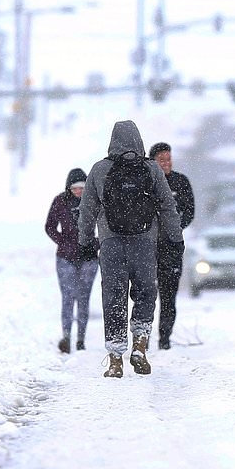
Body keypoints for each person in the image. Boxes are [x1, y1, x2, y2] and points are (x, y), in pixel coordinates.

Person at [78, 121, 184, 379]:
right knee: (146, 292)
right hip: (145, 242)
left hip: (111, 243)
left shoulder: (100, 169)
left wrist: (84, 240)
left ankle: (115, 360)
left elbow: (86, 209)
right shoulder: (151, 169)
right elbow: (168, 206)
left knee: (114, 297)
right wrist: (175, 238)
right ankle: (140, 345)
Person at [44, 168, 99, 354]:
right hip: (65, 258)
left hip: (89, 258)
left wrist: (97, 243)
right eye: (75, 188)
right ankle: (66, 337)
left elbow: (106, 224)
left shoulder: (94, 201)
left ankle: (81, 339)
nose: (78, 191)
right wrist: (63, 242)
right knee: (68, 298)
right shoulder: (60, 202)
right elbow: (49, 226)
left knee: (84, 299)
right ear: (69, 187)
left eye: (82, 187)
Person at [147, 141, 195, 350]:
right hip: (148, 249)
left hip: (172, 248)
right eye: (161, 160)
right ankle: (143, 339)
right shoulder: (146, 182)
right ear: (153, 162)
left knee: (168, 297)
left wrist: (174, 228)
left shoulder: (181, 182)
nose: (166, 163)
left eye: (168, 159)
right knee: (146, 296)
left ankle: (165, 340)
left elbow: (190, 212)